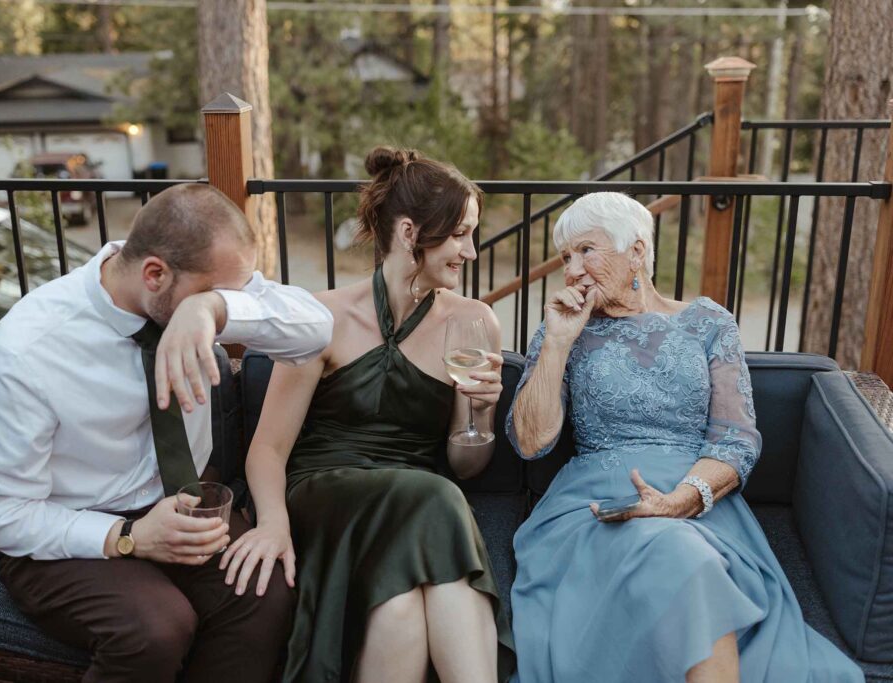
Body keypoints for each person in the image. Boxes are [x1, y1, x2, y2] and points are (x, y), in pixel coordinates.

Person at [0, 183, 334, 683]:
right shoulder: (23, 353)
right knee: (156, 629)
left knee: (265, 593)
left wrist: (211, 309)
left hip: (183, 501)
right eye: (215, 293)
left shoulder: (190, 299)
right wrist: (128, 537)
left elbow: (315, 329)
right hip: (66, 527)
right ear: (155, 274)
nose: (228, 304)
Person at [506, 191, 863, 683]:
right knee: (679, 558)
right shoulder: (562, 329)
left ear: (635, 250)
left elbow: (735, 440)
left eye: (586, 251)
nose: (572, 270)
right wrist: (558, 343)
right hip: (599, 503)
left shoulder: (709, 322)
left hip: (695, 498)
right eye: (566, 257)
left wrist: (680, 501)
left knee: (686, 555)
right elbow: (532, 442)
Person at [218, 147, 515, 683]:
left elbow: (464, 465)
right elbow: (267, 448)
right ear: (409, 232)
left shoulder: (475, 323)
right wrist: (273, 524)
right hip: (326, 490)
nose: (471, 251)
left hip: (415, 503)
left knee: (400, 612)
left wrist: (481, 415)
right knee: (438, 495)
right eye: (459, 234)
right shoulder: (323, 316)